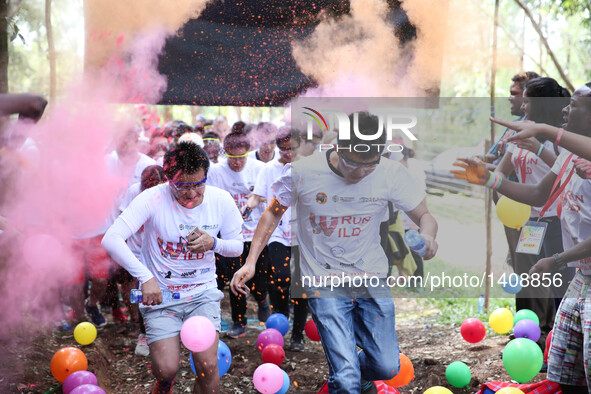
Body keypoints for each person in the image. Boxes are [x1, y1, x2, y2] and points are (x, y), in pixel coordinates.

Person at [231, 112, 438, 392]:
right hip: (323, 282)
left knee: (387, 366)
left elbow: (425, 215)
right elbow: (271, 215)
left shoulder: (390, 173)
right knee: (346, 378)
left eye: (369, 165)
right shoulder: (303, 173)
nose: (360, 172)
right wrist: (251, 261)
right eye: (352, 162)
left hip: (371, 278)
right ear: (337, 146)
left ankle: (348, 376)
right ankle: (345, 379)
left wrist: (428, 238)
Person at [453, 82, 591, 393]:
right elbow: (539, 194)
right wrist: (489, 178)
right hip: (582, 278)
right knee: (564, 371)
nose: (566, 109)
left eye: (575, 105)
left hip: (577, 268)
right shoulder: (570, 154)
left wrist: (556, 259)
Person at [102, 142, 244, 393]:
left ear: (206, 177)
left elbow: (237, 247)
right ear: (168, 180)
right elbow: (111, 238)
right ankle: (164, 383)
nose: (191, 194)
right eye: (182, 187)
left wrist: (214, 243)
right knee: (166, 368)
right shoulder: (152, 198)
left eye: (198, 185)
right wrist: (145, 278)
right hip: (162, 298)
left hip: (202, 293)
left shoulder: (221, 200)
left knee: (208, 366)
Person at [492, 77, 571, 349]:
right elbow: (502, 168)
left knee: (556, 281)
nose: (522, 105)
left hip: (557, 220)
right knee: (528, 279)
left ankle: (556, 340)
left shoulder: (561, 135)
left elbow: (565, 168)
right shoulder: (521, 130)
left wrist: (539, 148)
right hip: (527, 218)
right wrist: (503, 192)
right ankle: (529, 334)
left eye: (526, 100)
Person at [243, 127, 304, 348]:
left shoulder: (307, 167)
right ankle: (280, 318)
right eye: (284, 149)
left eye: (292, 149)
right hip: (277, 231)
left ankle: (298, 334)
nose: (288, 153)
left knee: (300, 282)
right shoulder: (269, 169)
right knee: (280, 277)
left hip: (303, 232)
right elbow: (257, 197)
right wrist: (246, 209)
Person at [207, 132, 271, 338]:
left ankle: (262, 299)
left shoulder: (260, 169)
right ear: (225, 155)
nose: (237, 163)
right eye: (232, 158)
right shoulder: (216, 172)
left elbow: (271, 201)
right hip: (231, 235)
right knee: (237, 278)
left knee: (260, 279)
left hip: (256, 232)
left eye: (241, 158)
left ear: (248, 153)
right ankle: (239, 321)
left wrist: (254, 202)